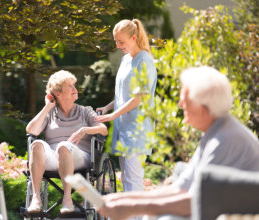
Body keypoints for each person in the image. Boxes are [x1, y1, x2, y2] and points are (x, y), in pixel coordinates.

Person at [97, 66, 259, 220]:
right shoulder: (215, 133)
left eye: (185, 100)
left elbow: (194, 202)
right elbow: (179, 188)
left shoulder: (225, 139)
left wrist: (133, 207)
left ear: (203, 107)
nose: (180, 105)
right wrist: (121, 199)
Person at [26, 70, 108, 214]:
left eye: (74, 85)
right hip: (53, 158)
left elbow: (103, 129)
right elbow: (31, 130)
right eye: (70, 86)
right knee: (36, 145)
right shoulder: (50, 113)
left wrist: (84, 130)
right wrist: (47, 107)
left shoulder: (85, 111)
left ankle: (67, 199)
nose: (75, 89)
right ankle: (36, 199)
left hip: (80, 157)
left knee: (63, 146)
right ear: (57, 93)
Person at [95, 19, 157, 194]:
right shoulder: (125, 60)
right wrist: (107, 108)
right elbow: (123, 95)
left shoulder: (144, 61)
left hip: (137, 129)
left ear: (134, 37)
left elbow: (140, 97)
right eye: (116, 41)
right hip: (123, 127)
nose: (118, 45)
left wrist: (112, 116)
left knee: (133, 179)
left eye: (121, 42)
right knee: (126, 177)